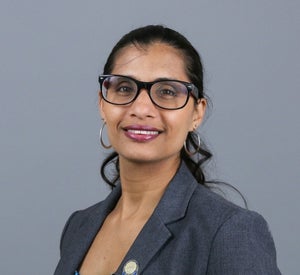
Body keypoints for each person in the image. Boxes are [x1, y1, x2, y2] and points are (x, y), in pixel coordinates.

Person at [54, 25, 281, 275]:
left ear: (197, 113)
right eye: (124, 88)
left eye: (167, 92)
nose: (141, 109)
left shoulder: (230, 232)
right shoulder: (79, 226)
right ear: (102, 104)